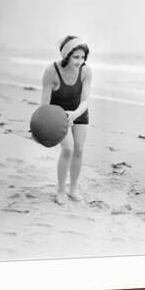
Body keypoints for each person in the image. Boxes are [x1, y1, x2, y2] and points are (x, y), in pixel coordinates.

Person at [40, 35, 93, 205]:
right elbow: (44, 105)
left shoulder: (86, 71)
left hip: (79, 113)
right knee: (68, 149)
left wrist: (75, 114)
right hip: (58, 115)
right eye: (76, 57)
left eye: (83, 57)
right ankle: (61, 191)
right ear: (66, 55)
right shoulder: (51, 71)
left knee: (79, 149)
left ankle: (73, 190)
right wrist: (40, 127)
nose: (80, 61)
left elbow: (85, 101)